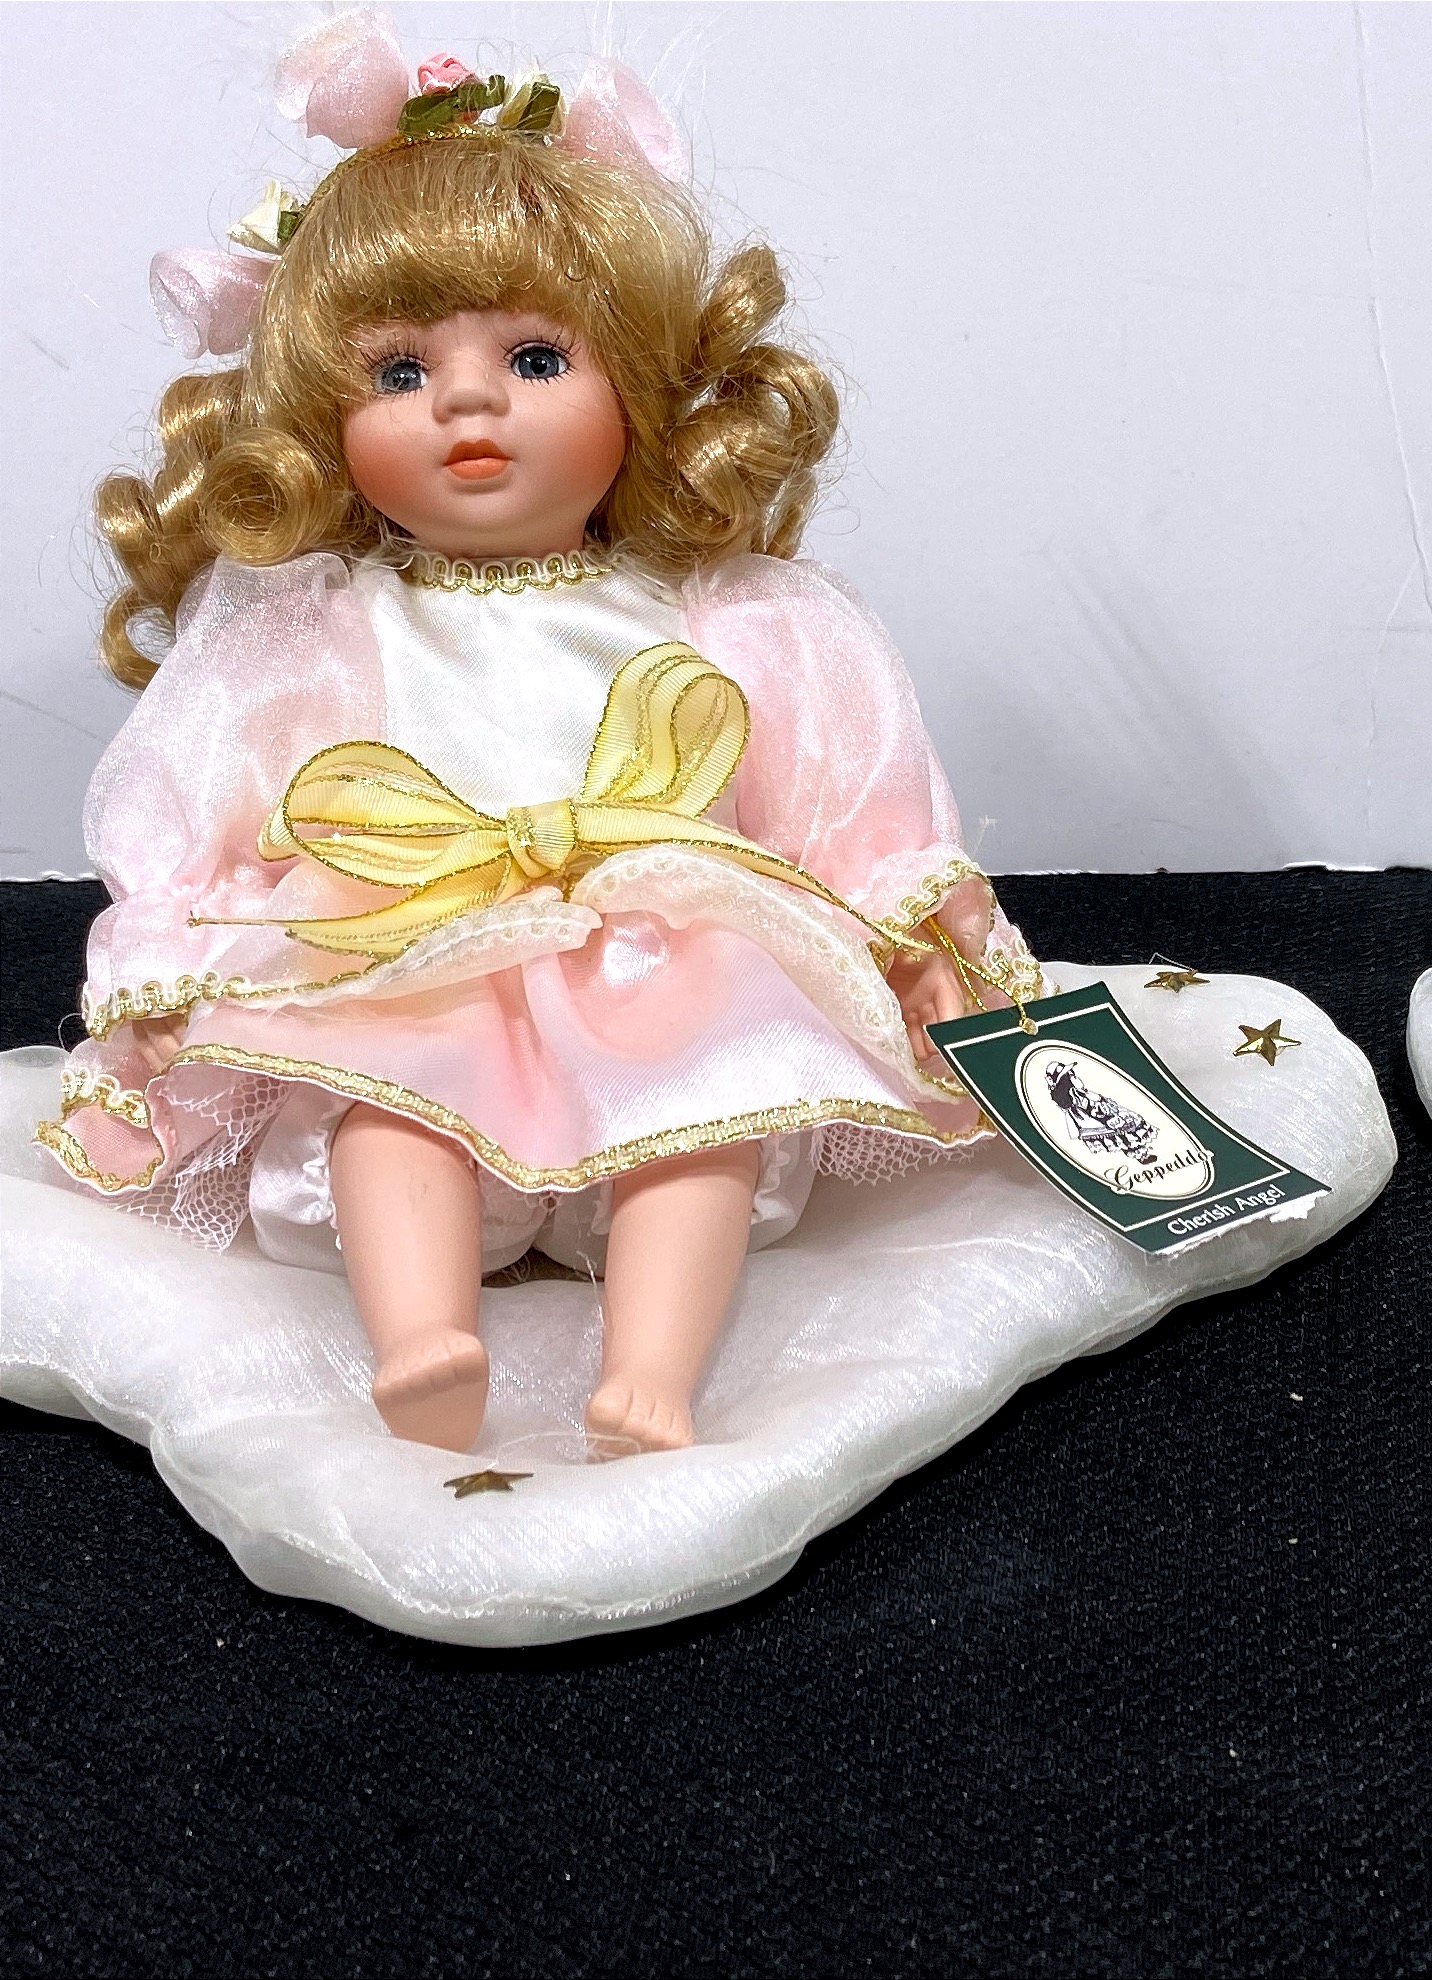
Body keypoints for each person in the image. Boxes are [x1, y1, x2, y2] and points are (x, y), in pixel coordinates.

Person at [41, 16, 1039, 1456]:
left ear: (636, 384)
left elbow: (841, 789)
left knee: (709, 1110)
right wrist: (169, 951)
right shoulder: (316, 627)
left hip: (659, 945)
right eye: (398, 374)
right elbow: (207, 791)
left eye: (530, 355)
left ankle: (652, 1371)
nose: (465, 399)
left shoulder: (733, 612)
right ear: (323, 424)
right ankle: (424, 1339)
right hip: (413, 942)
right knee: (387, 1106)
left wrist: (917, 934)